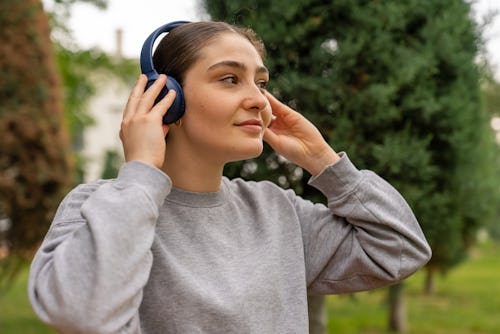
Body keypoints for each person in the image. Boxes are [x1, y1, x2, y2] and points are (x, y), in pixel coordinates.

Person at [28, 21, 431, 334]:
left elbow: (399, 249)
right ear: (167, 98)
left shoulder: (276, 212)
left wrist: (325, 162)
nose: (259, 99)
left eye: (260, 82)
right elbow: (81, 313)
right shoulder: (98, 208)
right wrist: (141, 176)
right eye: (229, 79)